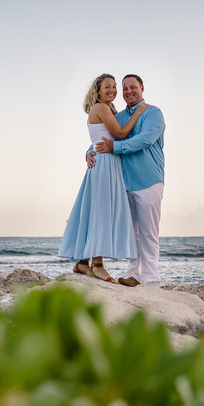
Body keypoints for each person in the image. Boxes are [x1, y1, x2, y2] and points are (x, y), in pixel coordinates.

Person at [58, 74, 150, 284]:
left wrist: (89, 152)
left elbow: (102, 138)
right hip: (105, 164)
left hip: (107, 162)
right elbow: (120, 133)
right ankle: (97, 265)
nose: (112, 90)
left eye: (114, 86)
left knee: (95, 211)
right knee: (101, 212)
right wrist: (139, 112)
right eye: (107, 86)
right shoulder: (100, 108)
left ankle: (82, 262)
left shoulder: (107, 110)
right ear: (97, 91)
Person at [89, 74, 165, 286]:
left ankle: (150, 278)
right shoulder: (120, 116)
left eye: (133, 87)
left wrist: (116, 147)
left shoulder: (153, 113)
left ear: (142, 88)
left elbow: (145, 139)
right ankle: (134, 275)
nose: (129, 91)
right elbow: (103, 136)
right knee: (132, 234)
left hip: (149, 180)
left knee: (149, 232)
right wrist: (88, 152)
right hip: (124, 182)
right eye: (125, 89)